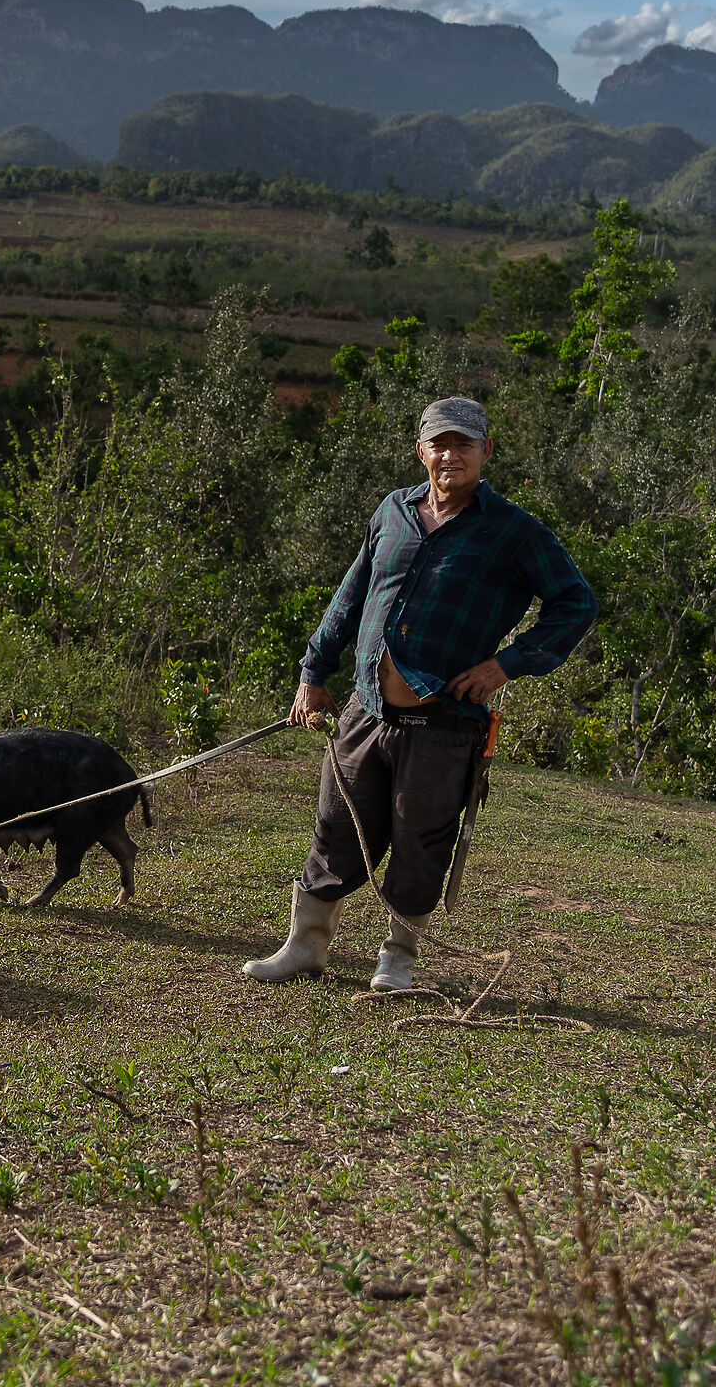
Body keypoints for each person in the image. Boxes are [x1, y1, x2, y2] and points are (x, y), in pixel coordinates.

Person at [244, 396, 596, 991]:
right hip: (365, 710)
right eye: (439, 443)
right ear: (421, 451)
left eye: (464, 444)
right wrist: (312, 672)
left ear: (485, 452)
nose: (450, 455)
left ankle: (397, 961)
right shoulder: (393, 511)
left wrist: (504, 666)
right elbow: (351, 596)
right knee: (336, 827)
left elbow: (575, 605)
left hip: (444, 721)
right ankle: (304, 948)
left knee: (421, 835)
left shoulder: (513, 531)